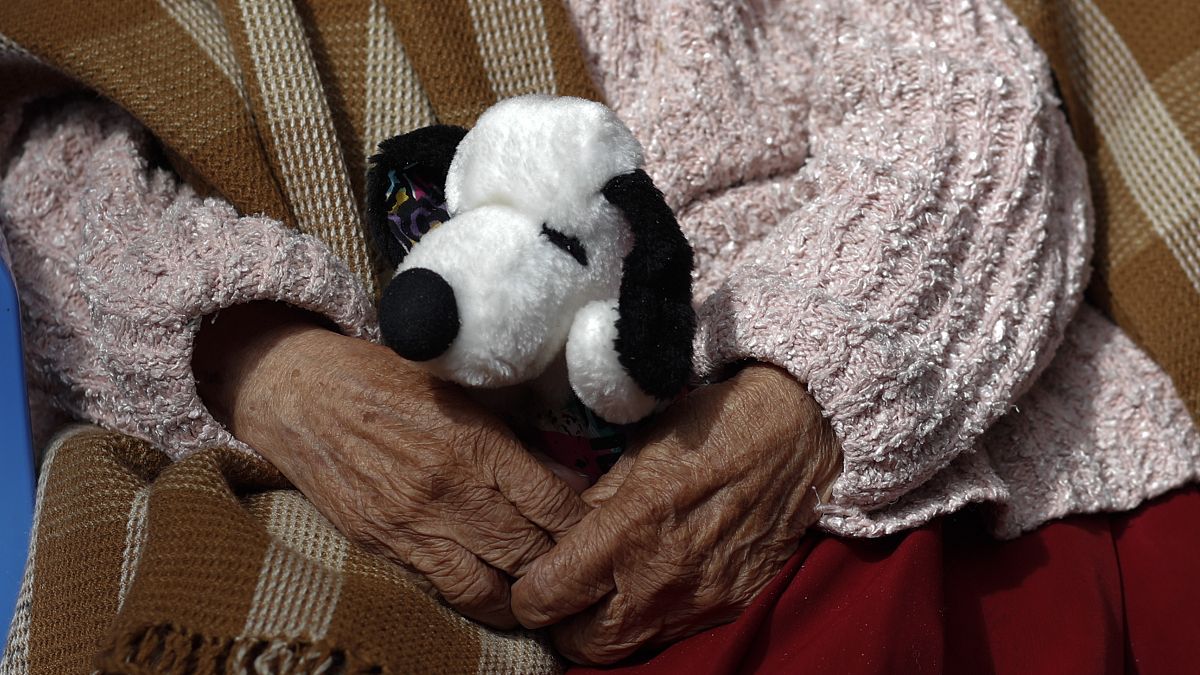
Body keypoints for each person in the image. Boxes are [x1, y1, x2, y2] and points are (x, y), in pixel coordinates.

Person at [1, 0, 1196, 670]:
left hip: (944, 484)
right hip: (413, 537)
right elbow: (56, 169)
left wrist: (807, 397)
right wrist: (262, 363)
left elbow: (969, 102)